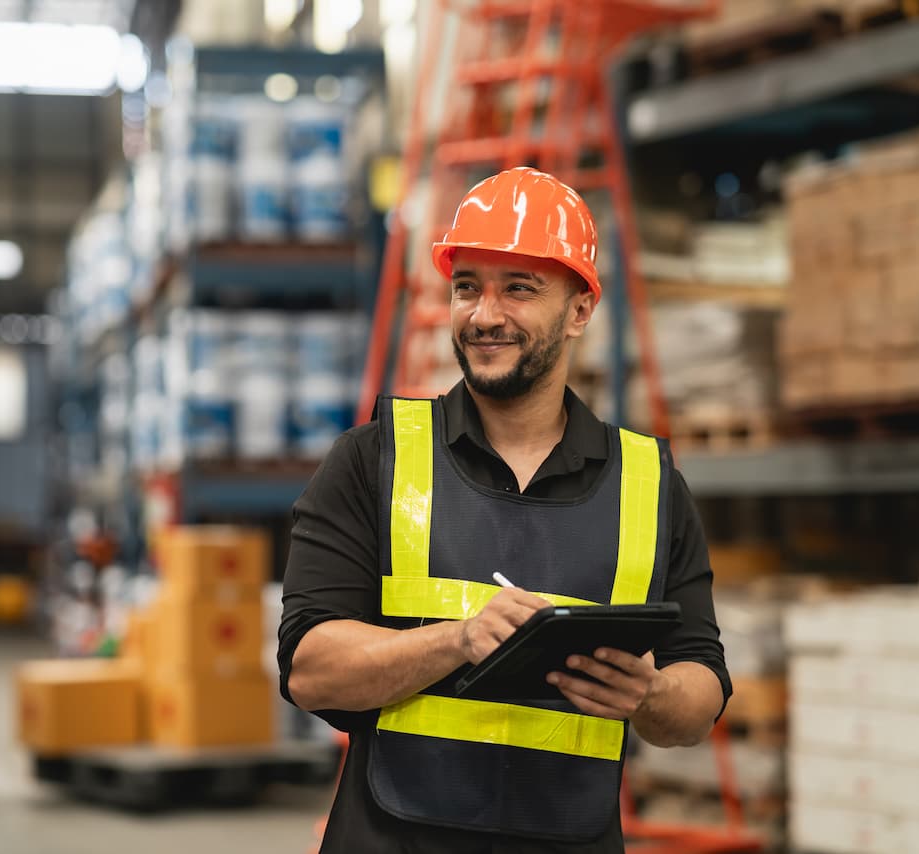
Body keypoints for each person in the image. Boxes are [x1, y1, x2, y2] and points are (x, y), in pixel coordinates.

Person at [278, 167, 730, 853]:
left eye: (518, 288)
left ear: (579, 310)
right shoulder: (376, 460)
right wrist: (457, 639)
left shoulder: (648, 483)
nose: (484, 314)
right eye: (468, 287)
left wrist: (649, 696)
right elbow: (310, 669)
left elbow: (700, 688)